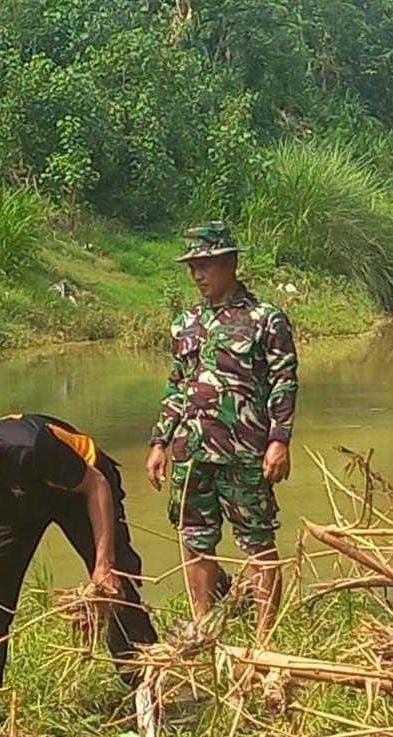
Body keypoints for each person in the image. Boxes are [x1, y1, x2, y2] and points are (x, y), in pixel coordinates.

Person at [0, 410, 158, 721]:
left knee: (112, 586)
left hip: (76, 489)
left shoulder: (30, 447)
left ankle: (145, 685)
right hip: (11, 502)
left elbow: (95, 485)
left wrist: (105, 563)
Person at [146, 221, 297, 638]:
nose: (198, 274)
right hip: (191, 452)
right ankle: (203, 625)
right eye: (193, 266)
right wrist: (160, 442)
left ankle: (264, 638)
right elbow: (177, 384)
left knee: (258, 541)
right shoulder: (186, 323)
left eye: (206, 264)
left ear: (230, 262)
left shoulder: (265, 319)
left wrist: (279, 440)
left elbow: (284, 381)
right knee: (196, 538)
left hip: (245, 452)